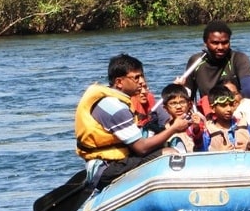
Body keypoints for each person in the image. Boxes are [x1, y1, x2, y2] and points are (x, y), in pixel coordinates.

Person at [75, 54, 190, 187]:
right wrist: (174, 128)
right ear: (119, 82)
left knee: (165, 145)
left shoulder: (112, 101)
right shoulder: (115, 108)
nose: (141, 81)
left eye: (142, 76)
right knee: (169, 153)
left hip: (112, 161)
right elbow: (141, 148)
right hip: (105, 169)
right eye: (136, 77)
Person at [179, 21, 250, 116]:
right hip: (209, 112)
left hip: (235, 111)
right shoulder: (196, 61)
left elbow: (249, 92)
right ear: (205, 43)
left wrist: (228, 105)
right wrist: (179, 89)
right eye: (215, 43)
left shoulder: (239, 59)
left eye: (225, 42)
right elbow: (188, 97)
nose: (220, 47)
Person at [202, 83, 250, 151]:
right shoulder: (208, 133)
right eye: (223, 105)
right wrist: (219, 154)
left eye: (231, 104)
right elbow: (202, 156)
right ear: (212, 109)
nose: (229, 109)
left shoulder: (242, 124)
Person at [159, 83, 205, 153]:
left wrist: (196, 128)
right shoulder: (164, 128)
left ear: (189, 105)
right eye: (173, 103)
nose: (178, 107)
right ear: (165, 108)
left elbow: (199, 142)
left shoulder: (192, 125)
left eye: (182, 102)